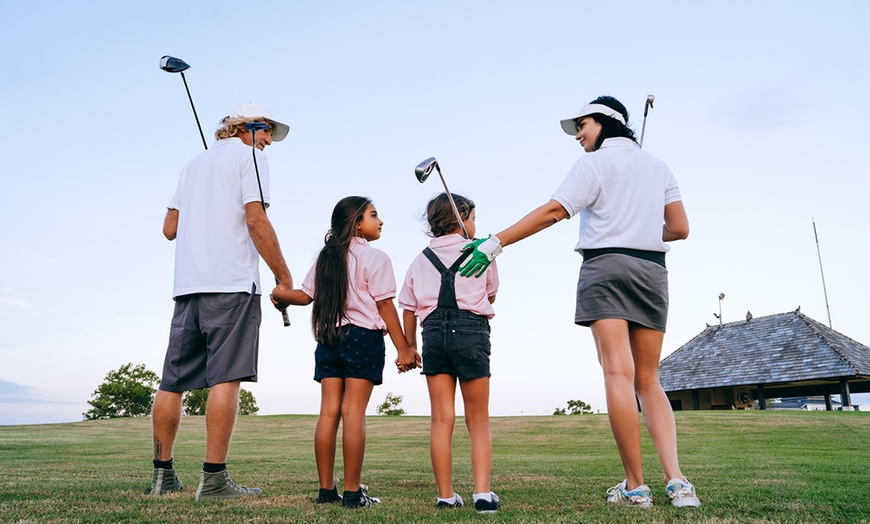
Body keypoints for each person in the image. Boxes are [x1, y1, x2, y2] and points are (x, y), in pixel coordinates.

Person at [460, 96, 700, 508]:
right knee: (649, 379)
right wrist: (638, 221)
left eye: (583, 126)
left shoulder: (593, 164)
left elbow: (555, 211)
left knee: (618, 375)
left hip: (606, 267)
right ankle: (678, 484)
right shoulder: (659, 166)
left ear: (607, 122)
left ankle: (635, 488)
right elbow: (678, 229)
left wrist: (496, 242)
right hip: (651, 271)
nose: (578, 135)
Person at [148, 102, 294, 501]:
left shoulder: (192, 165)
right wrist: (284, 277)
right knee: (226, 377)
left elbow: (169, 228)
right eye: (265, 130)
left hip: (188, 287)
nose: (267, 140)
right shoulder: (252, 159)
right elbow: (256, 220)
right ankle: (212, 481)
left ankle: (163, 478)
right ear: (243, 127)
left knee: (172, 382)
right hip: (231, 283)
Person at [271, 196, 420, 509]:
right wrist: (404, 348)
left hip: (329, 337)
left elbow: (304, 295)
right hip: (363, 338)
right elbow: (384, 305)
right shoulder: (376, 258)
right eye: (374, 215)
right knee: (353, 413)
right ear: (356, 223)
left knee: (328, 413)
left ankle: (327, 491)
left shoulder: (326, 257)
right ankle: (352, 494)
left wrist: (281, 295)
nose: (380, 221)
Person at [398, 193, 501, 513]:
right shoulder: (482, 253)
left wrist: (410, 345)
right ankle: (482, 495)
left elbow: (409, 308)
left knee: (441, 419)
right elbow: (491, 295)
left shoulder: (419, 260)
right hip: (471, 332)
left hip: (433, 335)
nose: (475, 224)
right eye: (472, 218)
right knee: (478, 419)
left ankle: (446, 495)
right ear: (463, 218)